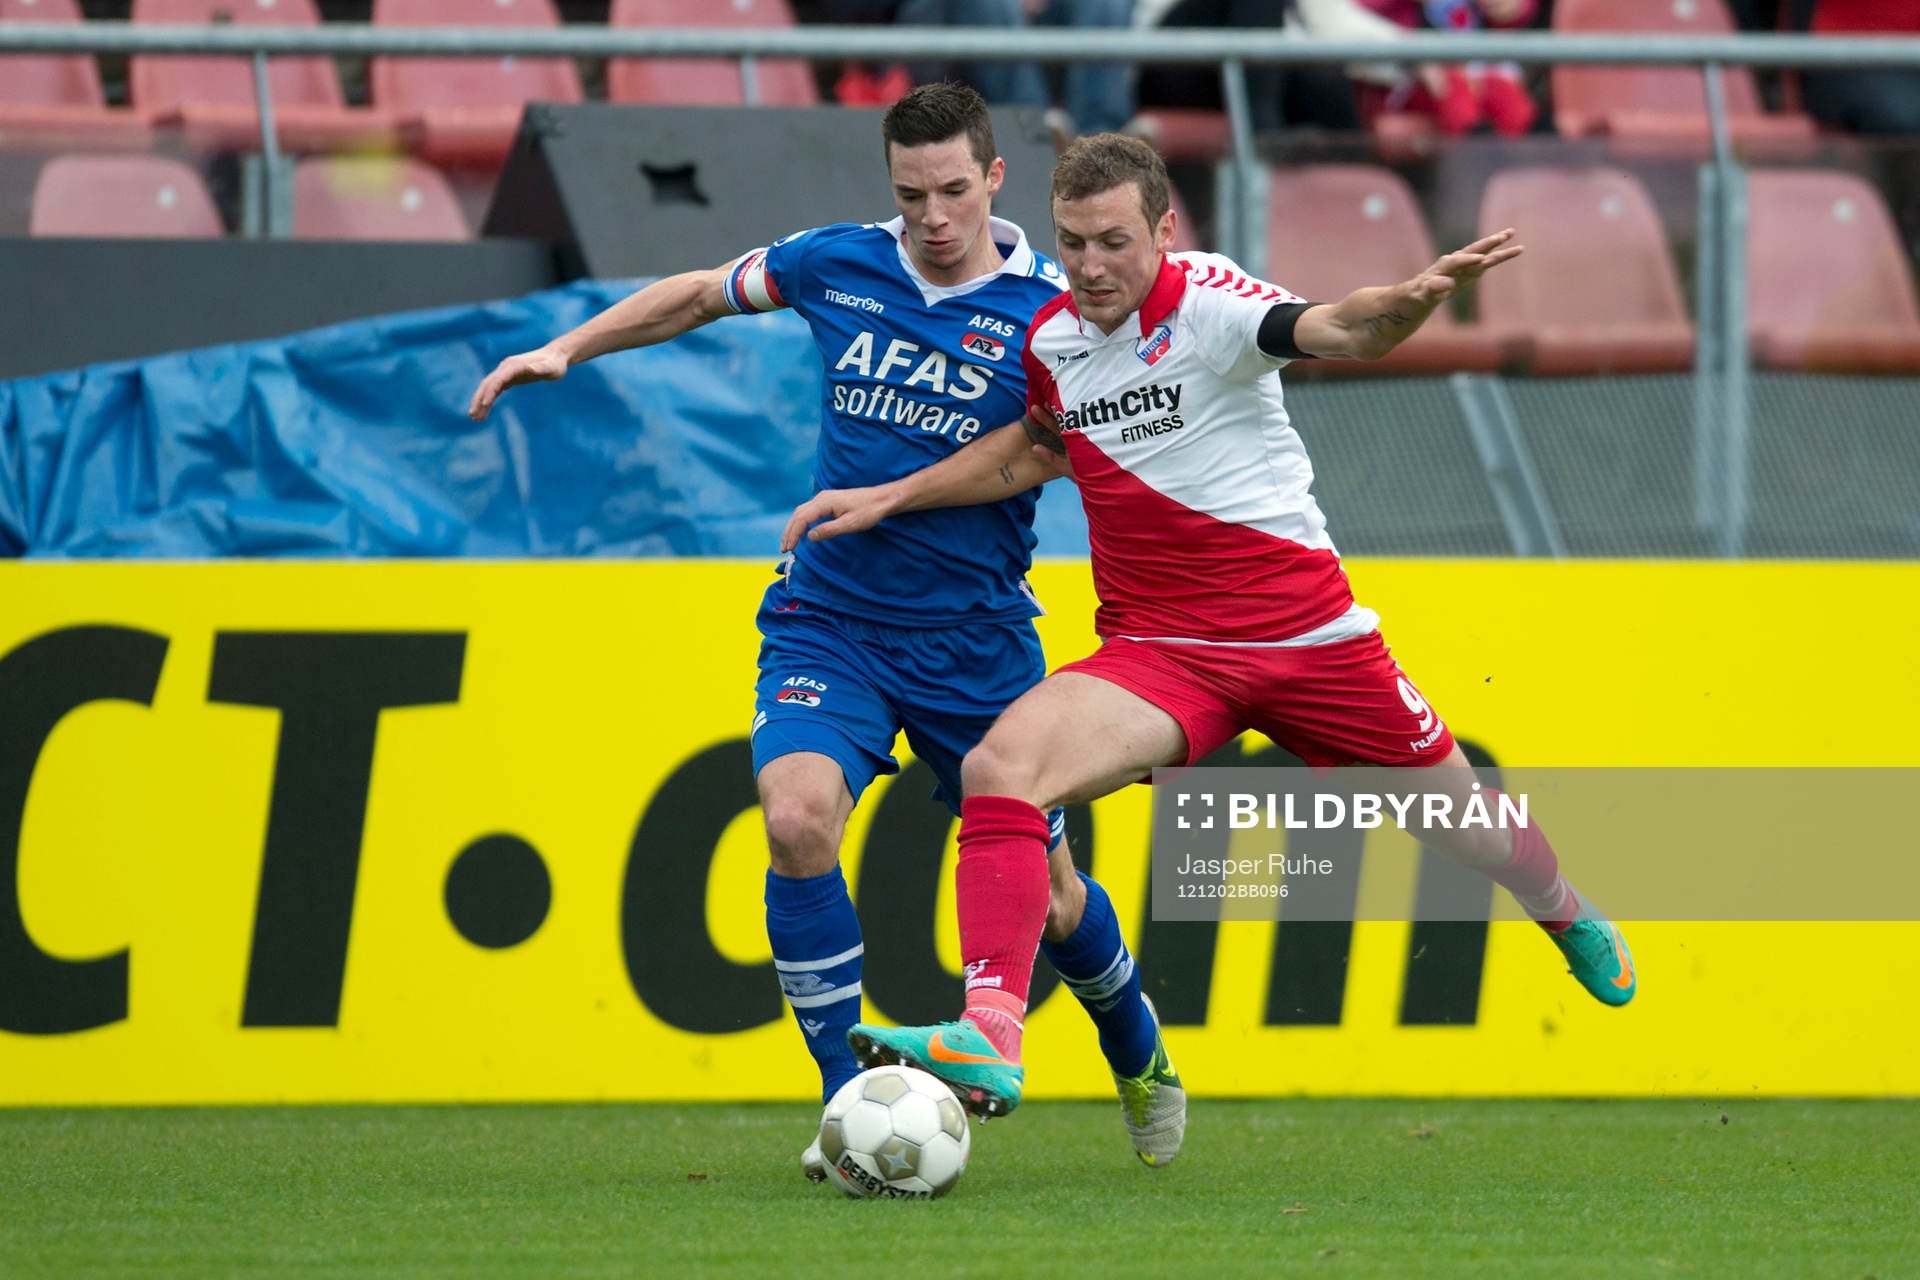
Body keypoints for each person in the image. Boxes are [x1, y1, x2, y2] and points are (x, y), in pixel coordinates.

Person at [783, 133, 1637, 1118]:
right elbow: (1031, 454)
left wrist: (1404, 304)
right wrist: (893, 495)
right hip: (1162, 652)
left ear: (1164, 229)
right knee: (997, 767)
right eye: (1073, 243)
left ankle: (1559, 904)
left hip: (1310, 642)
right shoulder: (1054, 342)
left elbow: (1342, 329)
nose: (1092, 267)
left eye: (1113, 242)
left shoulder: (1210, 303)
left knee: (1462, 824)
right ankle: (991, 1033)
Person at [467, 88, 1185, 1172]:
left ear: (993, 180)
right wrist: (571, 348)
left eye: (952, 191)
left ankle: (1137, 1049)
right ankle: (848, 1105)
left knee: (1054, 892)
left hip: (977, 640)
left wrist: (900, 496)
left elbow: (1049, 452)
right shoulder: (838, 261)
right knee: (797, 817)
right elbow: (701, 295)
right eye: (910, 194)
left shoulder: (1054, 309)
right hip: (831, 619)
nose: (932, 216)